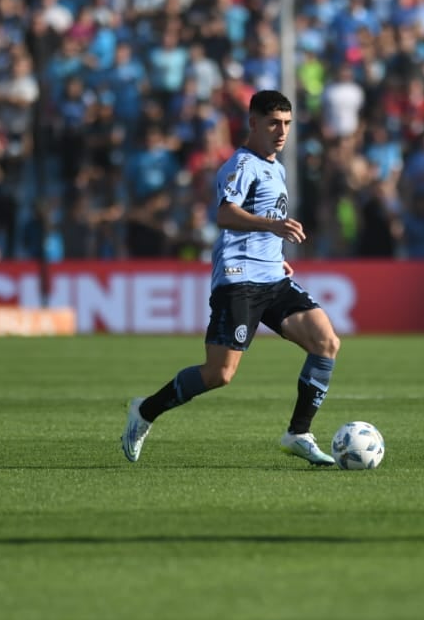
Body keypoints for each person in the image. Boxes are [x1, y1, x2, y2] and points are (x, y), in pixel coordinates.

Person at [122, 90, 341, 466]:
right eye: (273, 123)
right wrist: (273, 226)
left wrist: (276, 255)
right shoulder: (241, 165)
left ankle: (298, 432)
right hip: (239, 280)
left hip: (272, 277)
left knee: (326, 342)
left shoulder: (278, 167)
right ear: (253, 123)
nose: (282, 131)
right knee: (219, 373)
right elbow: (225, 215)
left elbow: (262, 223)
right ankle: (145, 411)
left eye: (287, 123)